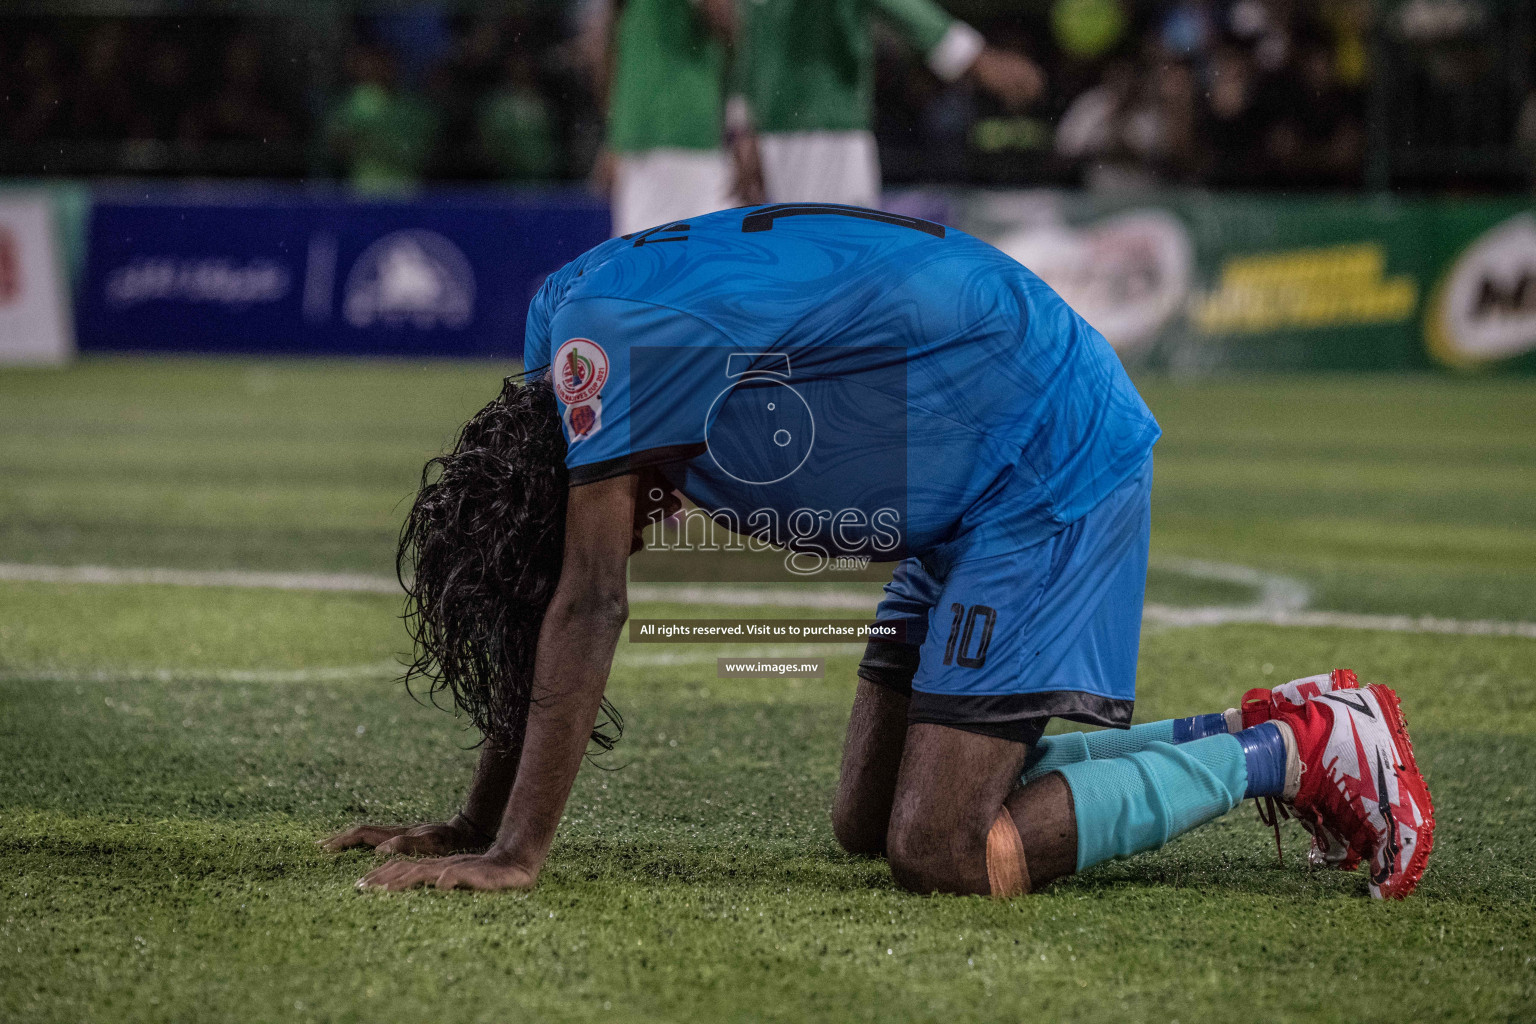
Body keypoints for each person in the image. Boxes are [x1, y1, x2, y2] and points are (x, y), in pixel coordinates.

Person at [324, 204, 1434, 900]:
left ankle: (1290, 753)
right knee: (868, 823)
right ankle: (1251, 724)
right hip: (952, 457)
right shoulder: (558, 328)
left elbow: (584, 602)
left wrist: (512, 850)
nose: (643, 524)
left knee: (943, 847)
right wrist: (471, 818)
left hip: (1037, 450)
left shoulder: (599, 362)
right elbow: (552, 584)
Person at [732, 0, 1047, 208]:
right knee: (837, 274)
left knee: (801, 269)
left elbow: (747, 35)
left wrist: (743, 125)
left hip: (782, 125)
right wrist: (974, 57)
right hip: (825, 131)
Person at [584, 0, 748, 236]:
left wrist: (617, 130)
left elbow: (602, 45)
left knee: (646, 258)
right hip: (681, 132)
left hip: (647, 133)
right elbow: (722, 16)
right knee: (704, 255)